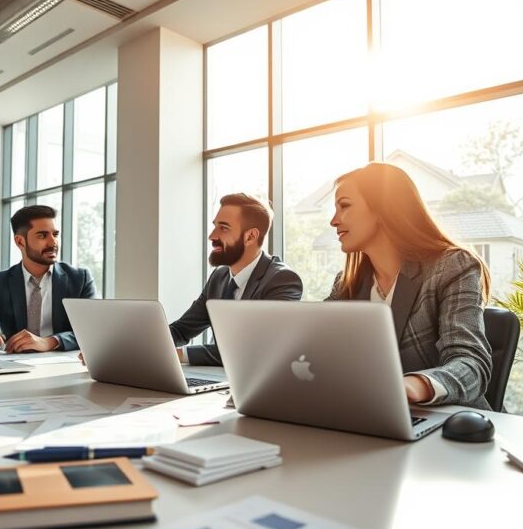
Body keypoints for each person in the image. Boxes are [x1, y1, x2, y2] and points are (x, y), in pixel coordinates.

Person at [326, 162, 493, 409]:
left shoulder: (452, 267)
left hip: (449, 424)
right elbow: (316, 351)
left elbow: (471, 364)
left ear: (382, 209)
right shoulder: (347, 283)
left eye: (345, 206)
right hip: (370, 418)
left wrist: (414, 385)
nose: (333, 221)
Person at [169, 193, 303, 366]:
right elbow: (182, 330)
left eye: (223, 228)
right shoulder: (219, 277)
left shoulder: (282, 280)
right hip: (223, 379)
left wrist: (179, 355)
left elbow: (254, 349)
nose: (212, 236)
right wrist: (143, 344)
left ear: (250, 237)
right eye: (214, 226)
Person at [0, 205, 96, 353]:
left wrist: (49, 342)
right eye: (42, 235)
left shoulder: (80, 279)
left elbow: (92, 330)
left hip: (65, 367)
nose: (53, 243)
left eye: (55, 234)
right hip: (14, 366)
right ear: (20, 241)